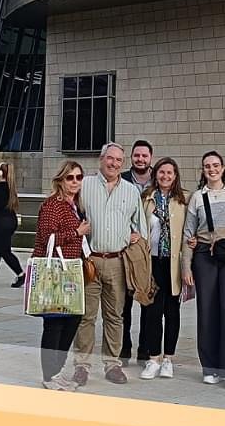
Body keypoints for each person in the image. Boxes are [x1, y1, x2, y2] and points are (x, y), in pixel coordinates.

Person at [71, 142, 145, 387]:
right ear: (101, 160)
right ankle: (81, 366)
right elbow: (72, 213)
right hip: (90, 261)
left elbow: (140, 226)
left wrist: (136, 237)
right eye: (110, 159)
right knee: (86, 316)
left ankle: (112, 364)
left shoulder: (131, 191)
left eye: (118, 161)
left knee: (115, 317)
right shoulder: (86, 185)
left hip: (117, 262)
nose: (114, 164)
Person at [183, 151, 225, 390]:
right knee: (207, 310)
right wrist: (186, 267)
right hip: (204, 256)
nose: (211, 169)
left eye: (215, 165)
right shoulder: (197, 198)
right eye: (207, 166)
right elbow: (188, 234)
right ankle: (210, 367)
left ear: (223, 168)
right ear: (203, 170)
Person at [32, 160, 90, 390]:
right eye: (70, 177)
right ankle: (49, 376)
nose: (75, 181)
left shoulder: (75, 204)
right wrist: (77, 231)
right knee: (54, 323)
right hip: (54, 271)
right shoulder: (52, 205)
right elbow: (48, 238)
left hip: (72, 271)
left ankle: (57, 371)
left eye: (78, 177)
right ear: (60, 180)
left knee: (73, 318)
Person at [138, 157, 188, 379]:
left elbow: (189, 230)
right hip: (153, 261)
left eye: (170, 173)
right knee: (152, 312)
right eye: (161, 172)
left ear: (175, 176)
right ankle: (153, 358)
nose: (165, 176)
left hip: (174, 263)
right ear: (155, 174)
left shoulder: (183, 199)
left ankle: (168, 358)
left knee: (172, 311)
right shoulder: (146, 199)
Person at [119, 139, 154, 365]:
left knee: (148, 304)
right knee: (124, 305)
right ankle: (123, 349)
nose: (140, 159)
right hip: (125, 249)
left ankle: (145, 349)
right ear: (131, 157)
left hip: (150, 251)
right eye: (137, 155)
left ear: (151, 157)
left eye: (144, 155)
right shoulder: (121, 180)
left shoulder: (159, 180)